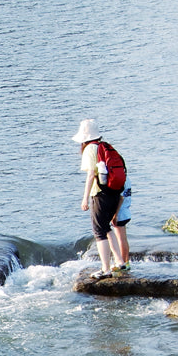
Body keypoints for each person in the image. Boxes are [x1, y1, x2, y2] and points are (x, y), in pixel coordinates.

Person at [73, 118, 127, 277]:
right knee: (106, 227)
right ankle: (120, 262)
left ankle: (105, 269)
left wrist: (84, 199)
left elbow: (91, 175)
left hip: (99, 194)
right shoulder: (106, 147)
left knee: (99, 232)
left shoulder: (90, 149)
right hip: (114, 193)